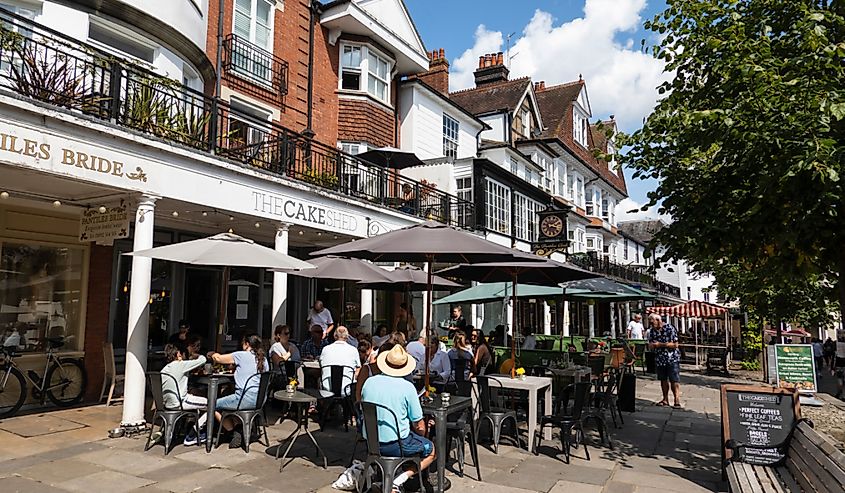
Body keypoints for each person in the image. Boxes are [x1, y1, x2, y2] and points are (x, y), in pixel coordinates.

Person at [361, 344, 438, 492]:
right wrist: (422, 434)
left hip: (371, 442)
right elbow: (419, 426)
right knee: (431, 449)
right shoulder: (407, 387)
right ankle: (400, 479)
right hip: (396, 444)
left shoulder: (369, 382)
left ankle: (391, 478)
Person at [208, 333, 266, 448]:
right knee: (230, 399)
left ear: (247, 344)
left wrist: (212, 354)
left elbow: (219, 358)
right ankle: (240, 427)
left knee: (211, 404)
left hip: (243, 399)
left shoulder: (241, 355)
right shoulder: (263, 359)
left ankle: (234, 430)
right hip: (260, 400)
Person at [161, 342, 208, 445]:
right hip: (181, 401)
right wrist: (196, 355)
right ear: (178, 354)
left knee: (195, 396)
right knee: (213, 404)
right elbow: (203, 360)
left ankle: (191, 428)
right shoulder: (181, 365)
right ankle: (193, 433)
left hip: (167, 404)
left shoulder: (164, 369)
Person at [648, 313, 681, 408]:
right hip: (660, 358)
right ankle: (665, 399)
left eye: (652, 322)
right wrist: (651, 345)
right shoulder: (652, 331)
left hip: (672, 358)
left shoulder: (669, 328)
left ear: (658, 320)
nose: (651, 325)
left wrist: (660, 345)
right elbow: (651, 342)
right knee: (663, 379)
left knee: (674, 379)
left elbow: (675, 345)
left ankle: (676, 400)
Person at [319, 326, 361, 396]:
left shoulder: (325, 349)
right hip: (346, 390)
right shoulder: (353, 350)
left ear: (334, 336)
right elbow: (358, 369)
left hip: (327, 389)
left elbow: (321, 366)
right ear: (347, 337)